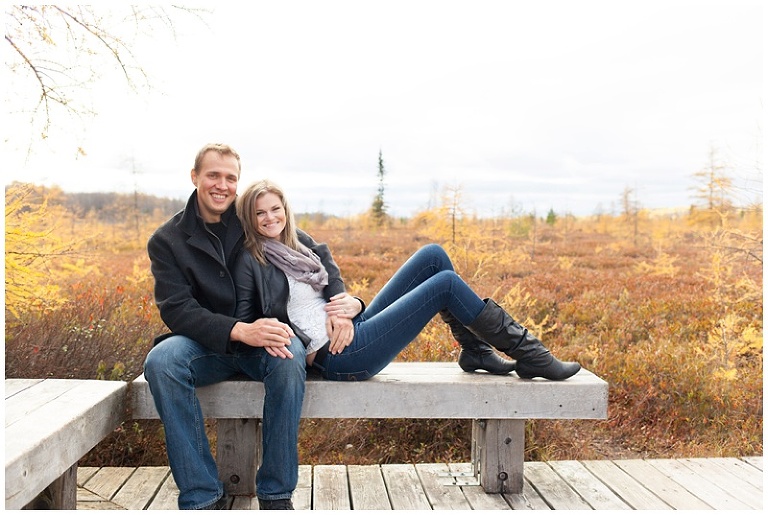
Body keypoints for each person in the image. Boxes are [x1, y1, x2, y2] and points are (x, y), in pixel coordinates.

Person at [233, 179, 580, 383]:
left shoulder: (296, 242)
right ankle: (530, 353)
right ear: (250, 217)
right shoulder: (253, 258)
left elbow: (328, 267)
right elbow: (250, 315)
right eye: (260, 212)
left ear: (285, 209)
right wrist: (297, 339)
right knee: (445, 285)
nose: (270, 218)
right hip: (337, 354)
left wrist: (347, 307)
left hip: (349, 328)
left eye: (275, 209)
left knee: (433, 256)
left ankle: (475, 351)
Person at [143, 144, 305, 510]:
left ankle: (277, 493)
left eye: (230, 177)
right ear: (195, 177)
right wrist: (238, 329)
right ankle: (201, 495)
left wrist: (350, 301)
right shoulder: (166, 240)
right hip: (205, 345)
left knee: (290, 353)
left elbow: (305, 246)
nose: (222, 185)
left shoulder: (250, 215)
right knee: (161, 361)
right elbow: (177, 309)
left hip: (261, 340)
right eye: (213, 175)